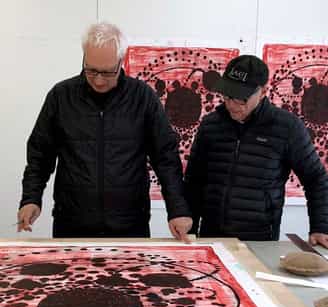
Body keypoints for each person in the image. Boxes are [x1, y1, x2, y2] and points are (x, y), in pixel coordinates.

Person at [18, 22, 192, 241]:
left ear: (121, 61)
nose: (99, 80)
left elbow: (165, 157)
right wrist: (31, 199)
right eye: (91, 70)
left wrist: (178, 210)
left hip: (130, 225)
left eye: (108, 72)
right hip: (72, 224)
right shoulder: (61, 96)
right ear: (84, 57)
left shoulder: (142, 97)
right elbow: (39, 155)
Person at [184, 54, 328, 247]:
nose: (232, 105)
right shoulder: (211, 125)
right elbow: (194, 181)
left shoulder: (287, 127)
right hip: (211, 236)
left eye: (241, 99)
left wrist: (321, 226)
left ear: (262, 92)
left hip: (260, 239)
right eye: (227, 96)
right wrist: (190, 230)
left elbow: (316, 178)